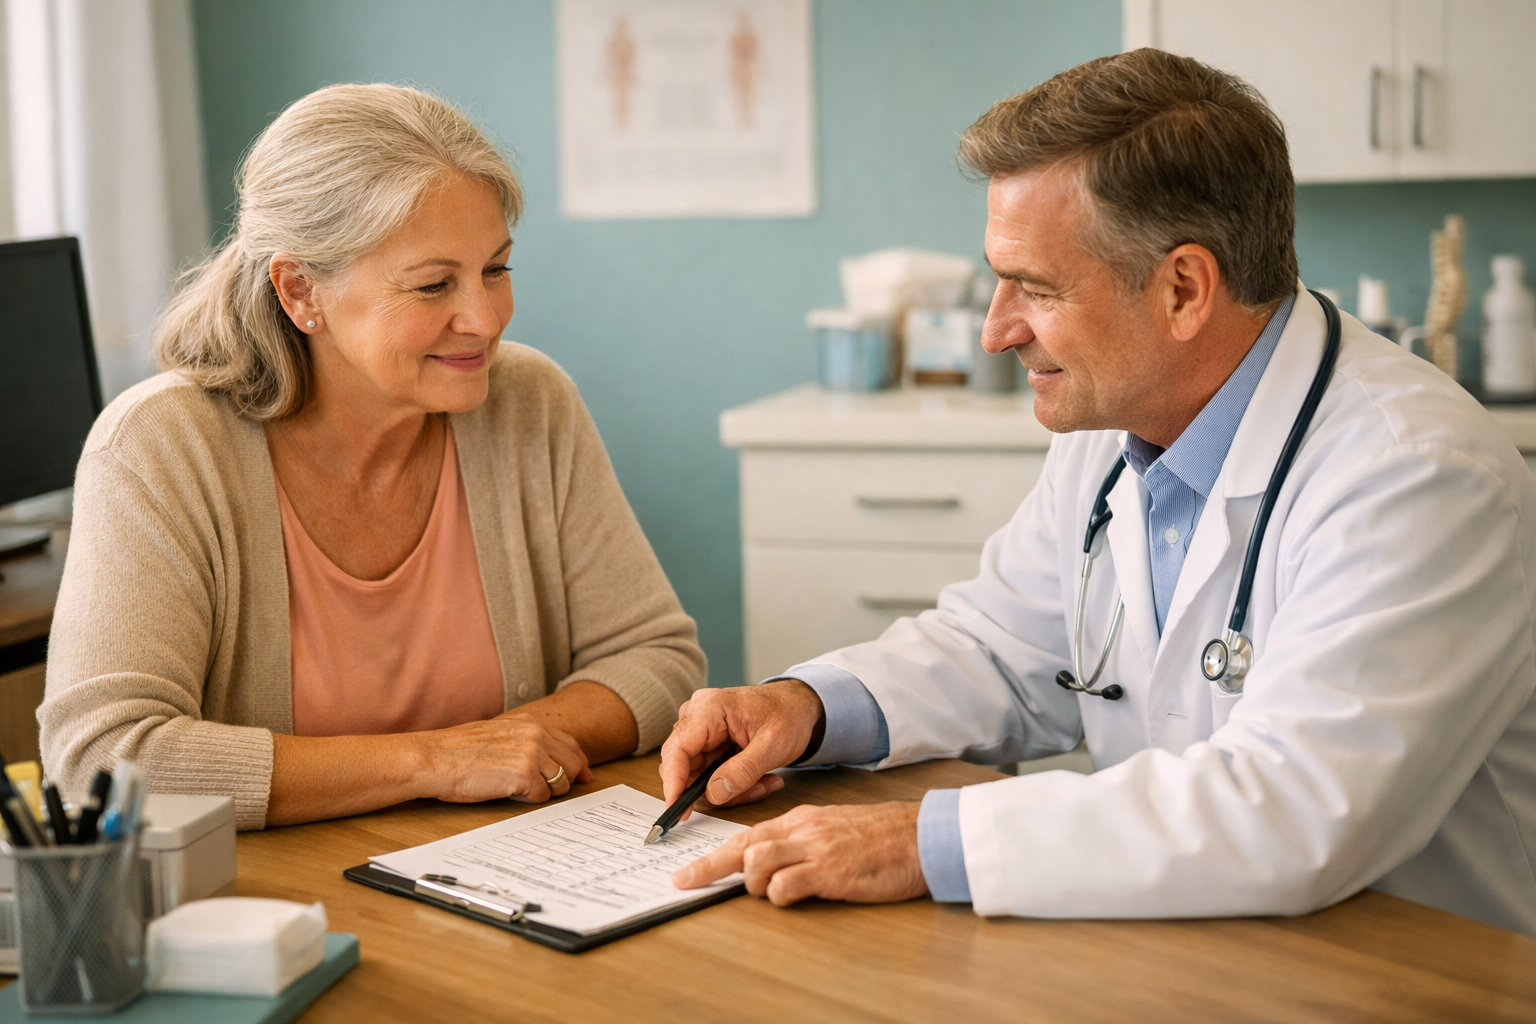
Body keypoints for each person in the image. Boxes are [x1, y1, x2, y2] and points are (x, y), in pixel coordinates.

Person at [661, 50, 1536, 934]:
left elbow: (1297, 808)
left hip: (1411, 968)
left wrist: (921, 843)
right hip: (1197, 944)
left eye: (1035, 288)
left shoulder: (1416, 477)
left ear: (1183, 289)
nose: (997, 331)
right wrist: (807, 707)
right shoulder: (1122, 422)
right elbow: (1003, 648)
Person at [40, 84, 705, 830]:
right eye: (432, 285)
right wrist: (438, 762)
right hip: (269, 916)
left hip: (508, 872)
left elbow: (657, 658)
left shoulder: (530, 401)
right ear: (299, 291)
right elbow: (98, 760)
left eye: (496, 270)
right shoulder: (161, 448)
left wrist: (502, 752)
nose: (483, 320)